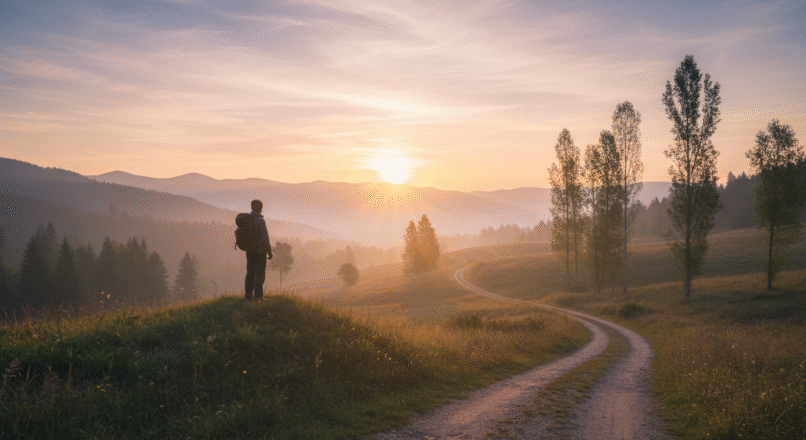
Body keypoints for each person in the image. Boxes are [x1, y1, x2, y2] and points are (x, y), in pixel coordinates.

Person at [245, 199, 272, 302]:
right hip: (260, 252)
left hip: (249, 251)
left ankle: (248, 296)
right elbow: (265, 237)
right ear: (260, 208)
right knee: (259, 274)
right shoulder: (260, 220)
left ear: (252, 207)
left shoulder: (248, 219)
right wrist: (269, 251)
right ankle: (258, 297)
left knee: (250, 273)